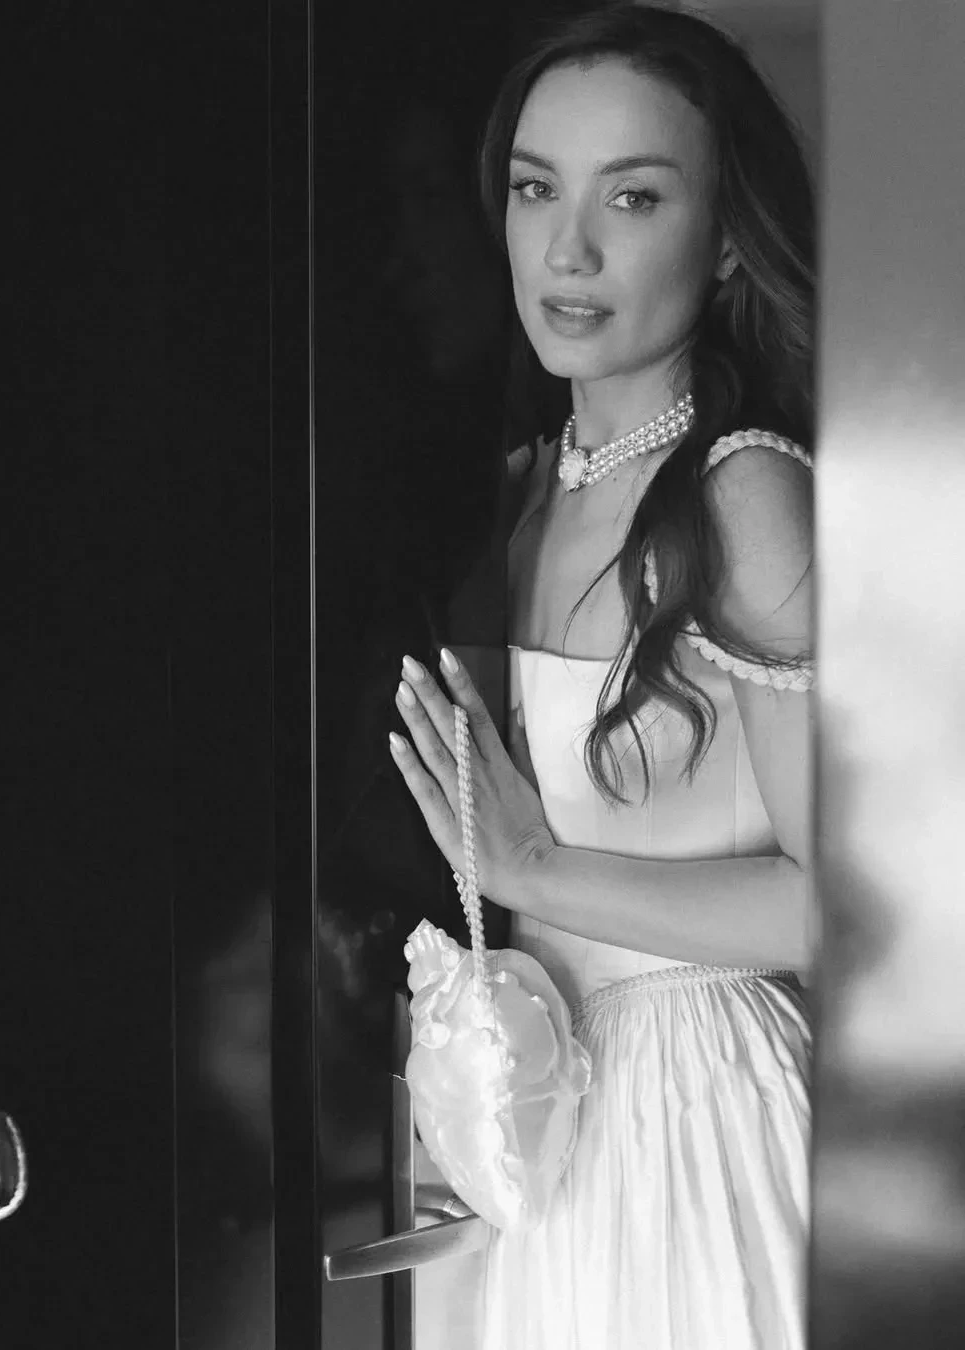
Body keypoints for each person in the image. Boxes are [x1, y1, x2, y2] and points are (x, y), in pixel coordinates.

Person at [388, 4, 816, 1348]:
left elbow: (843, 908)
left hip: (699, 1118)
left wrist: (536, 870)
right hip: (544, 1133)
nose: (567, 250)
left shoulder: (744, 494)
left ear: (728, 236)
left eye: (632, 197)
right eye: (536, 190)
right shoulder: (515, 496)